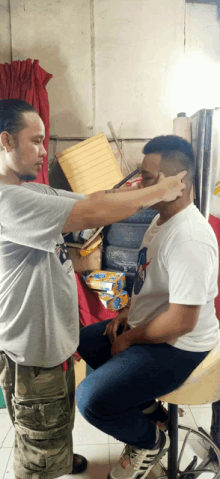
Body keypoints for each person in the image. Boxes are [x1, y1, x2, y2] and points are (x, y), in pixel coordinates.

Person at [0, 99, 186, 479]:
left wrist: (137, 188)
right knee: (40, 443)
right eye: (34, 141)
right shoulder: (8, 200)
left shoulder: (32, 191)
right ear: (5, 141)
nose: (42, 152)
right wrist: (158, 190)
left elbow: (93, 201)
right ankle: (47, 464)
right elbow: (93, 213)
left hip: (50, 343)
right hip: (34, 352)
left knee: (56, 418)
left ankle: (59, 455)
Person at [76, 135, 220, 479]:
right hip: (156, 326)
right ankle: (151, 410)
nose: (142, 187)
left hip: (181, 346)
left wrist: (132, 337)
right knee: (86, 340)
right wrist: (128, 313)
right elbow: (152, 283)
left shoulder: (190, 237)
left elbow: (181, 322)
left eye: (150, 179)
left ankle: (151, 441)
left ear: (180, 182)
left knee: (90, 399)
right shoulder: (160, 221)